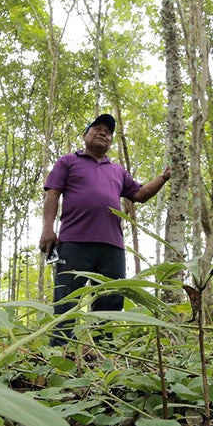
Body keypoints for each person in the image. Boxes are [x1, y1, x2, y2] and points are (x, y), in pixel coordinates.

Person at [39, 113, 171, 346]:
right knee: (67, 298)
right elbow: (52, 194)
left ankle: (103, 350)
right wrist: (47, 229)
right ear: (85, 135)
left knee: (111, 299)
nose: (103, 133)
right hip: (73, 242)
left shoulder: (117, 171)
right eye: (97, 128)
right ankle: (59, 351)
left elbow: (139, 195)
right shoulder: (68, 161)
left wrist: (163, 177)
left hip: (112, 245)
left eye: (108, 132)